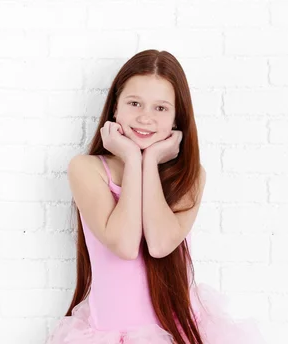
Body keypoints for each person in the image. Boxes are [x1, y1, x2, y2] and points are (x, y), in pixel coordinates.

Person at [45, 50, 267, 344]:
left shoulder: (191, 176)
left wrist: (149, 161)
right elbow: (124, 244)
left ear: (177, 118)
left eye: (161, 108)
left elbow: (160, 244)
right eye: (134, 103)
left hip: (178, 331)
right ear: (115, 108)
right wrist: (131, 157)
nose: (145, 117)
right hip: (111, 334)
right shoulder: (87, 169)